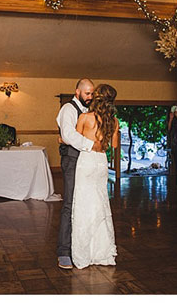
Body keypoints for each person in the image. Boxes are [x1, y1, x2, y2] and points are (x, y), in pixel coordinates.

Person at [71, 84, 119, 269]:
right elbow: (114, 146)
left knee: (84, 205)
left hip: (87, 160)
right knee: (100, 203)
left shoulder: (85, 117)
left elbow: (76, 140)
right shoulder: (114, 121)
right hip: (101, 163)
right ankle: (102, 252)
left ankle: (84, 255)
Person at [55, 78, 95, 269]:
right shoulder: (68, 109)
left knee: (84, 204)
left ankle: (81, 247)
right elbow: (68, 135)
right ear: (77, 92)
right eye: (87, 93)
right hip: (71, 161)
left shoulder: (88, 111)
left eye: (92, 93)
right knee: (70, 204)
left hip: (86, 162)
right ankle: (63, 252)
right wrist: (91, 145)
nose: (90, 97)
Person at [167, 105, 177, 175]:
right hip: (174, 143)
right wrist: (171, 118)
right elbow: (169, 129)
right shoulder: (171, 119)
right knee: (176, 160)